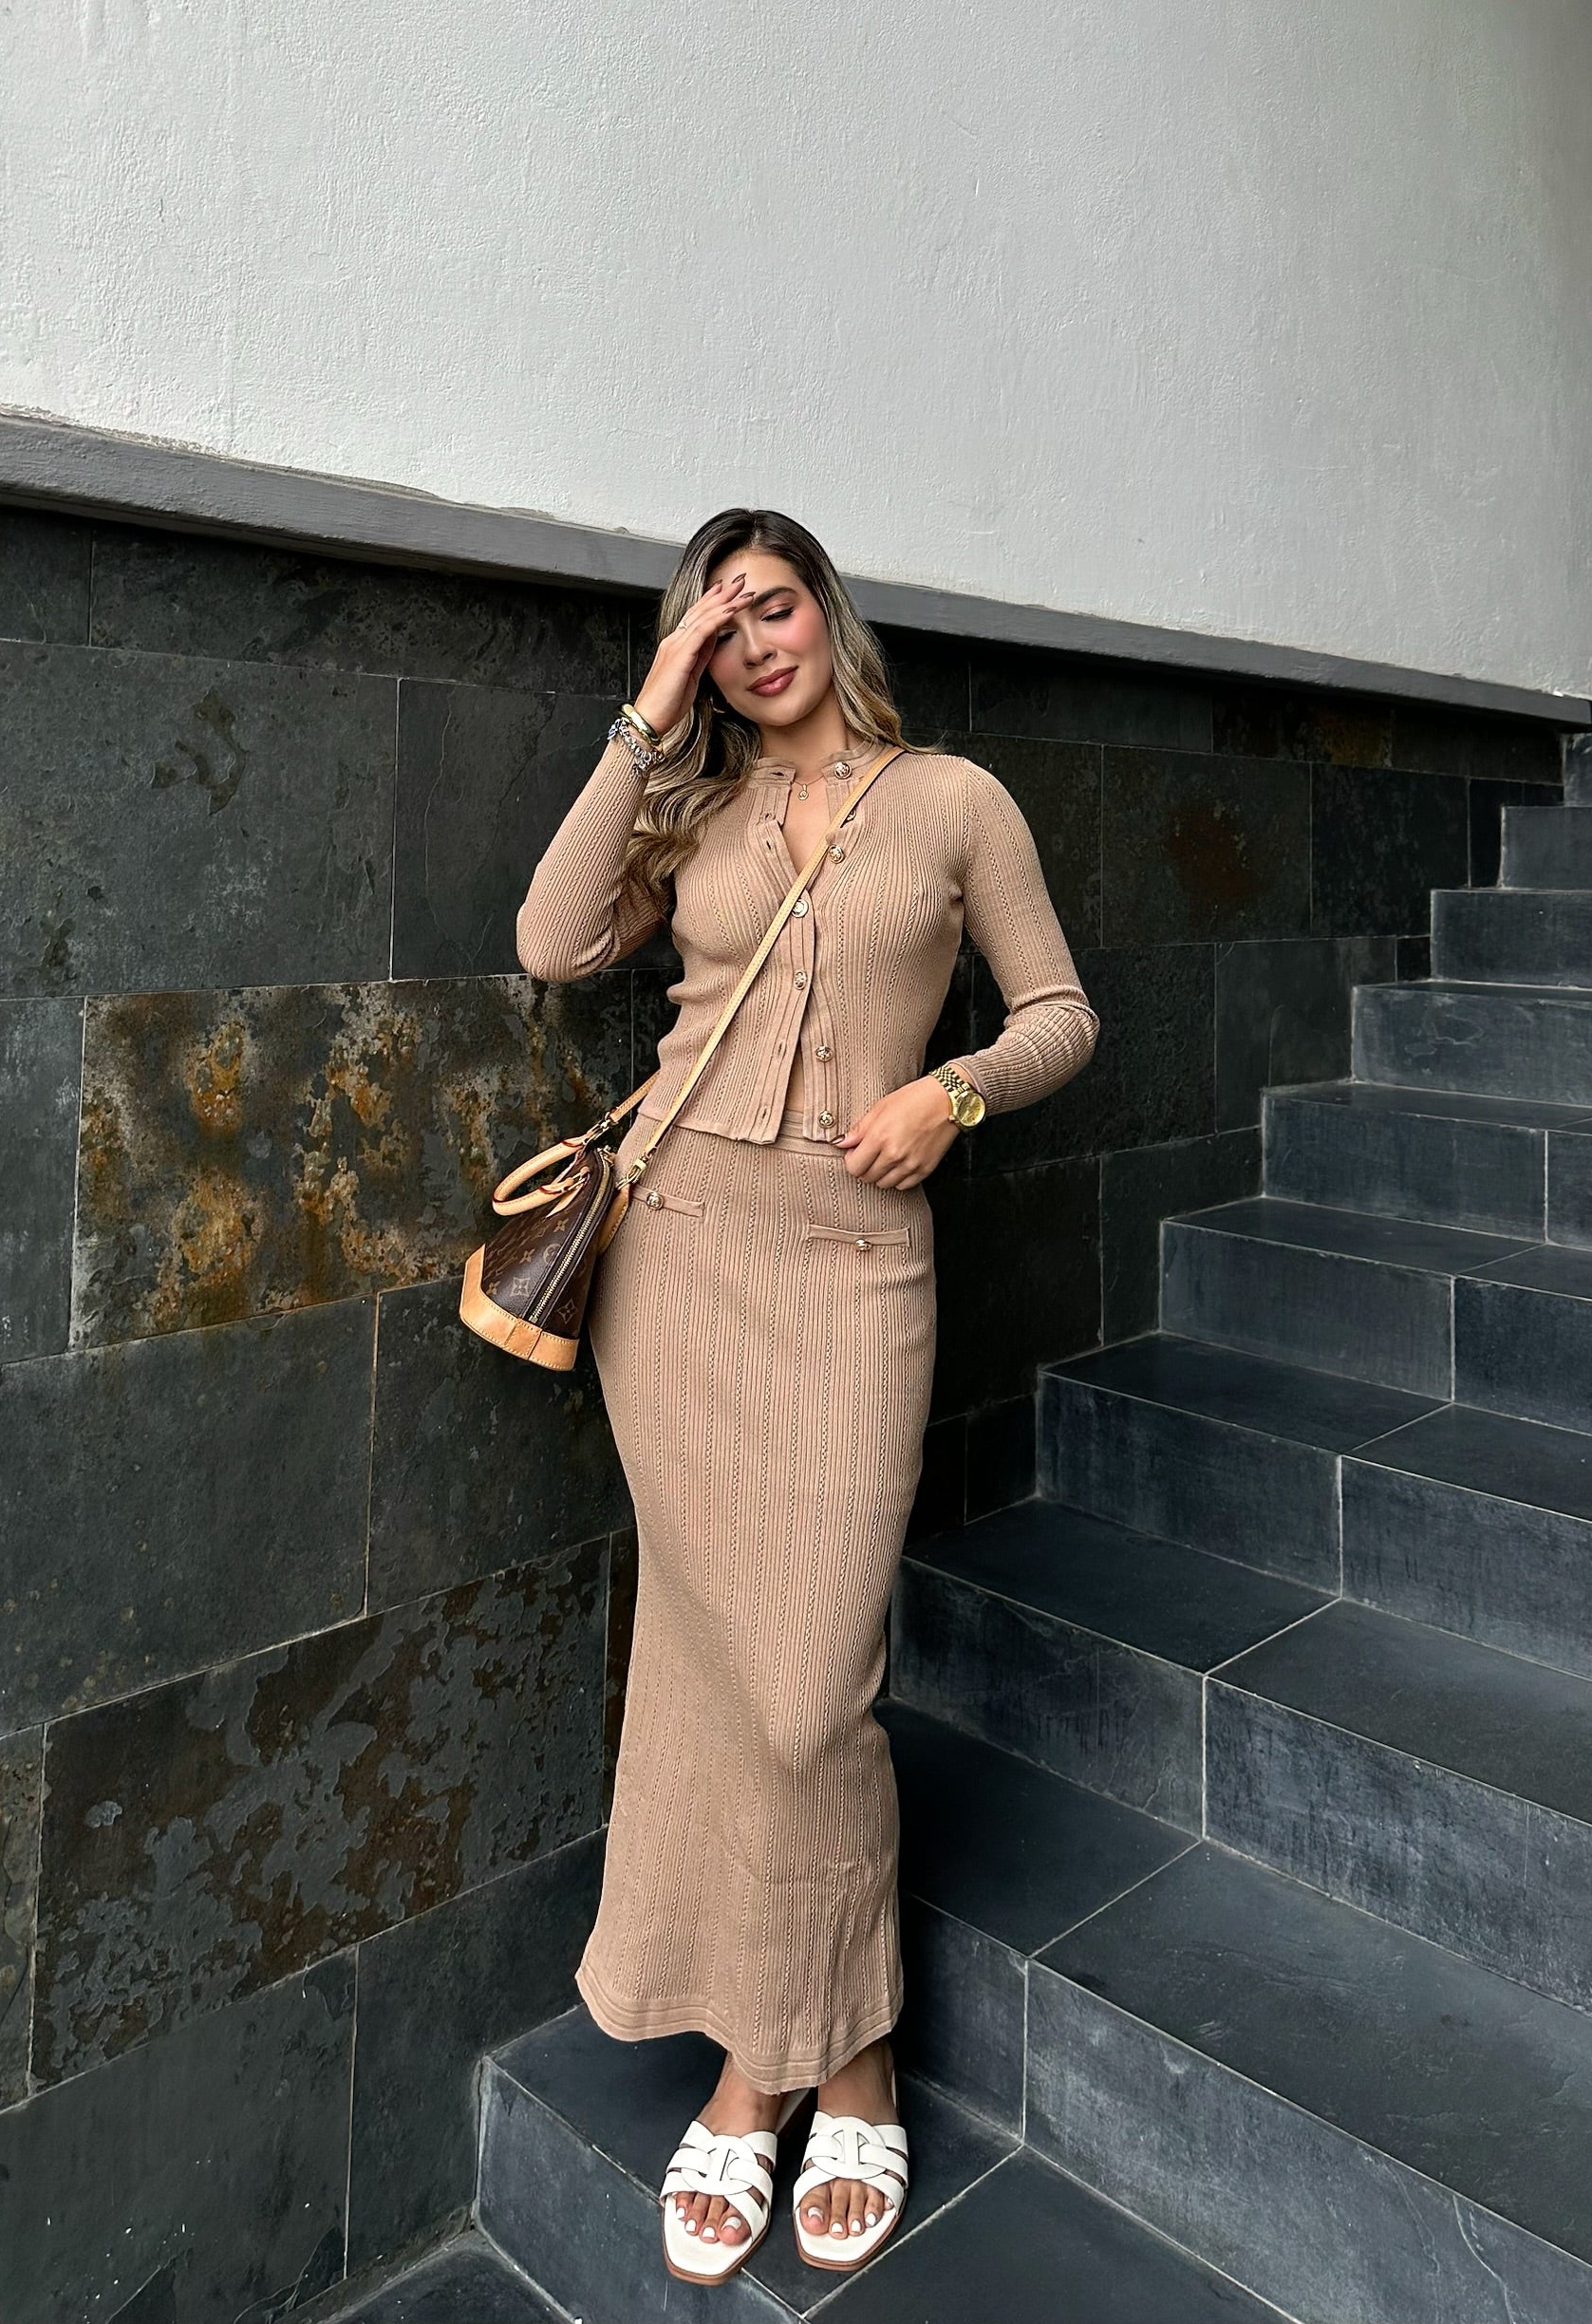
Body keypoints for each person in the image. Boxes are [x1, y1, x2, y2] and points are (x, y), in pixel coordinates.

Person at [514, 508, 1098, 2283]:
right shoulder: (691, 808)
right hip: (678, 1271)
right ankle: (802, 2072)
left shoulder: (956, 801)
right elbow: (552, 940)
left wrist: (955, 1095)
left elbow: (1063, 1011)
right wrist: (648, 712)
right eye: (718, 628)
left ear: (827, 611)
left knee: (808, 1695)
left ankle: (808, 2058)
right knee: (714, 1671)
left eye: (772, 607)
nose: (754, 643)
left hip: (853, 1280)